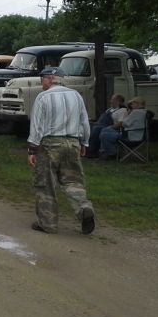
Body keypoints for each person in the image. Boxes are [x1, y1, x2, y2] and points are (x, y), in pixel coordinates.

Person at [27, 66, 95, 235]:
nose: (41, 82)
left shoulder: (43, 97)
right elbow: (84, 122)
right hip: (72, 143)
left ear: (51, 79)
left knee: (45, 183)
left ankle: (47, 223)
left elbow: (37, 126)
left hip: (50, 144)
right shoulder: (76, 96)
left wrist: (32, 150)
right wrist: (84, 143)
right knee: (73, 181)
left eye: (43, 78)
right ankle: (84, 207)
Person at [86, 93, 127, 158]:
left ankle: (92, 151)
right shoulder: (109, 110)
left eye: (112, 100)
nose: (110, 101)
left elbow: (120, 123)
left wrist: (110, 127)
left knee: (96, 129)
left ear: (118, 101)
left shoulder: (122, 110)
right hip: (100, 125)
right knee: (89, 125)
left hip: (111, 128)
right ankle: (86, 149)